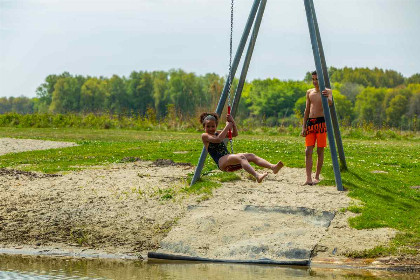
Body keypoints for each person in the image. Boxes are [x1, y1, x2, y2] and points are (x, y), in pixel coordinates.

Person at [200, 112, 283, 183]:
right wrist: (227, 126)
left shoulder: (217, 133)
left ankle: (273, 167)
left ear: (216, 126)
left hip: (228, 159)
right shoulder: (205, 136)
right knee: (241, 157)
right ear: (204, 127)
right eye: (208, 126)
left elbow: (235, 134)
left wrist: (232, 122)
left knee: (251, 156)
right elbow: (218, 140)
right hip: (221, 162)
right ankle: (257, 176)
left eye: (213, 126)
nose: (211, 129)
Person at [301, 71, 333, 185]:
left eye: (317, 79)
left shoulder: (327, 91)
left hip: (321, 123)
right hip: (311, 123)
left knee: (320, 150)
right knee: (308, 151)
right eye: (313, 79)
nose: (314, 81)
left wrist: (327, 97)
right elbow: (307, 109)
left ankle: (317, 176)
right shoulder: (309, 92)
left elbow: (330, 102)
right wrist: (304, 126)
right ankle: (308, 178)